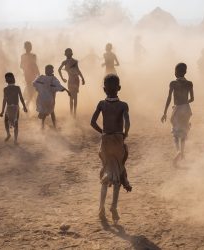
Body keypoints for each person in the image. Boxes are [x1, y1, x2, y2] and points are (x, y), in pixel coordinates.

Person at [90, 74, 132, 224]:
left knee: (106, 172)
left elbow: (92, 122)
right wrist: (124, 134)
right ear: (119, 88)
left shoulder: (101, 104)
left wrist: (102, 132)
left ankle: (101, 208)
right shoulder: (123, 105)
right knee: (119, 170)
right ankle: (114, 206)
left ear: (104, 89)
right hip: (118, 139)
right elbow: (127, 122)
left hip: (106, 139)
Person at [161, 63, 194, 164]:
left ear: (176, 73)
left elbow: (169, 98)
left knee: (176, 133)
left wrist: (165, 112)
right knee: (184, 130)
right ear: (185, 72)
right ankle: (183, 152)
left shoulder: (173, 83)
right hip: (187, 109)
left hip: (177, 109)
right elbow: (192, 98)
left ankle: (178, 151)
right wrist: (185, 103)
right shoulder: (189, 83)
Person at [33, 65, 70, 129]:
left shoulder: (41, 77)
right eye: (52, 70)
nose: (53, 71)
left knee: (46, 111)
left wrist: (40, 88)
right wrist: (66, 90)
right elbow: (59, 86)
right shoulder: (53, 78)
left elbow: (35, 83)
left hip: (42, 99)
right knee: (52, 112)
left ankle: (42, 125)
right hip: (50, 99)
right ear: (48, 70)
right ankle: (54, 126)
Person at [0, 73, 27, 145]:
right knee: (6, 121)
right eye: (7, 78)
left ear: (13, 78)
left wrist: (24, 106)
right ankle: (8, 134)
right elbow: (4, 100)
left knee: (16, 123)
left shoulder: (17, 88)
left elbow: (21, 97)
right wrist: (2, 111)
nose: (8, 79)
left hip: (15, 107)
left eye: (9, 78)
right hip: (8, 107)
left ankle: (15, 140)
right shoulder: (5, 89)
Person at [58, 48, 85, 117]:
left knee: (74, 96)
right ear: (66, 54)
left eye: (69, 53)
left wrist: (82, 78)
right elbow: (59, 70)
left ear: (71, 53)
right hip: (71, 79)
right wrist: (62, 78)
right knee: (71, 96)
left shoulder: (75, 61)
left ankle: (74, 113)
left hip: (75, 79)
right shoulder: (65, 62)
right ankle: (71, 113)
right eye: (67, 53)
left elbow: (78, 70)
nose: (68, 54)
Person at [20, 41, 40, 109]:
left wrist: (38, 74)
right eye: (28, 47)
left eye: (30, 46)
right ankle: (27, 107)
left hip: (33, 76)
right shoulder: (23, 56)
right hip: (28, 76)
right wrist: (27, 67)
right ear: (25, 48)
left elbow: (35, 65)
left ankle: (29, 107)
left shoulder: (33, 55)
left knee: (33, 92)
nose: (29, 48)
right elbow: (21, 66)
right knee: (32, 92)